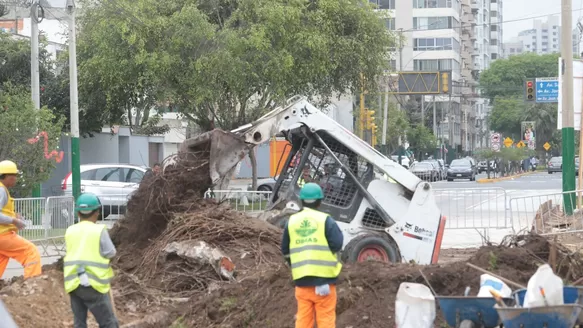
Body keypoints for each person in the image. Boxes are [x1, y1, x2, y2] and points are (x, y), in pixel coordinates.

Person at [281, 183, 343, 328]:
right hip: (325, 282)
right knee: (326, 319)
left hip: (302, 282)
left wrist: (295, 265)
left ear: (301, 200)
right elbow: (337, 244)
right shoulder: (326, 220)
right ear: (320, 201)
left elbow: (285, 249)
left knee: (303, 319)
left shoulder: (292, 221)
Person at [63, 193, 118, 328]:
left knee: (79, 323)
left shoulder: (70, 230)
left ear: (78, 213)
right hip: (93, 284)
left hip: (73, 283)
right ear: (96, 212)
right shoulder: (99, 230)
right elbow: (111, 253)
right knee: (109, 323)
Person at [0, 160, 41, 279]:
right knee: (30, 251)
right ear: (6, 176)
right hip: (3, 235)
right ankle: (32, 282)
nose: (15, 178)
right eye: (14, 175)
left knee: (2, 257)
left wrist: (14, 216)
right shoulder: (1, 190)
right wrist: (14, 221)